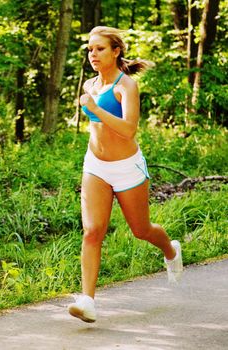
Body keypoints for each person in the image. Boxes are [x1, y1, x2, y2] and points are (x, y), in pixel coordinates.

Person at [67, 26, 183, 323]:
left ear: (116, 51)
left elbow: (129, 129)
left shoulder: (126, 85)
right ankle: (87, 300)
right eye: (90, 49)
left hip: (127, 167)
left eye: (100, 49)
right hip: (95, 165)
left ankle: (170, 250)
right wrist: (90, 104)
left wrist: (94, 108)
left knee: (141, 230)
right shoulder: (90, 84)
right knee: (92, 231)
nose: (93, 54)